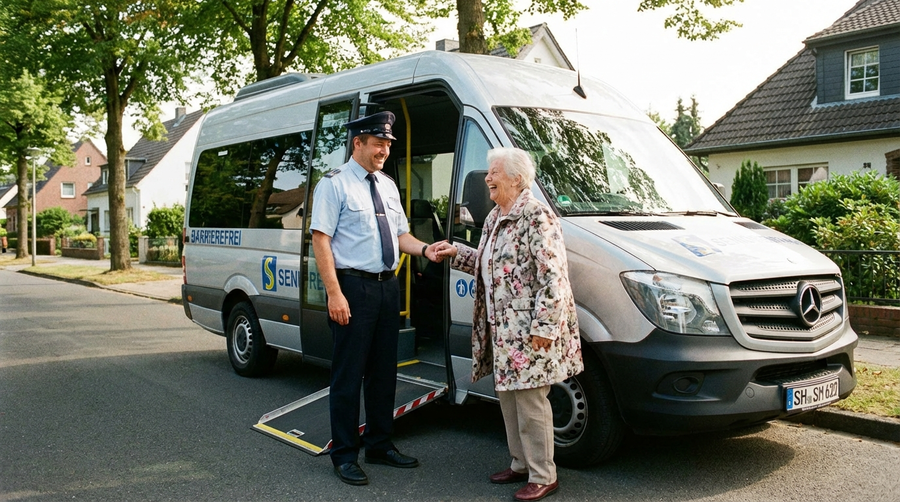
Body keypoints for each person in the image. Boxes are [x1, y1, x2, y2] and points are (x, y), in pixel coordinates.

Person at [434, 147, 582, 502]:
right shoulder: (495, 217)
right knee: (509, 400)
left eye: (494, 172)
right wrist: (458, 253)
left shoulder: (536, 216)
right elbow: (490, 265)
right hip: (503, 331)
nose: (487, 178)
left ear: (516, 178)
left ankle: (544, 474)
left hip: (529, 331)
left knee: (531, 403)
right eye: (488, 172)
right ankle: (520, 464)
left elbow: (554, 277)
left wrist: (544, 327)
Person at [310, 111, 444, 486]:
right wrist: (334, 294)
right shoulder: (334, 184)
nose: (384, 149)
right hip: (352, 288)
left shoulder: (386, 185)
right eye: (378, 143)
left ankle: (380, 445)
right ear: (358, 143)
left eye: (387, 144)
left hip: (388, 286)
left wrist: (426, 250)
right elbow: (321, 239)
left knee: (385, 373)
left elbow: (401, 235)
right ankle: (344, 454)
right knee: (349, 376)